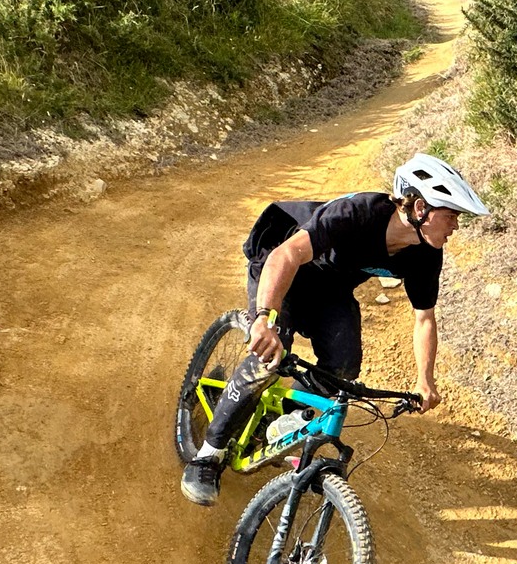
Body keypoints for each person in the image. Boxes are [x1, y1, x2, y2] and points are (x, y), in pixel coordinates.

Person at [180, 153, 487, 505]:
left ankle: (273, 426)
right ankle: (208, 455)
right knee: (271, 352)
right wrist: (264, 318)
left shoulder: (425, 253)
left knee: (343, 365)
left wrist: (425, 380)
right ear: (419, 208)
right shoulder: (358, 213)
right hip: (282, 267)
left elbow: (424, 318)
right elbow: (287, 256)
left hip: (330, 287)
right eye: (450, 216)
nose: (455, 226)